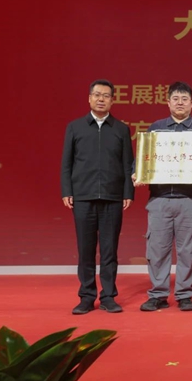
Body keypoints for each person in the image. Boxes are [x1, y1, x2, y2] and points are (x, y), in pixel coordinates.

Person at [134, 81, 192, 312]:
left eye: (184, 99)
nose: (180, 103)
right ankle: (158, 294)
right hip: (159, 199)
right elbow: (142, 160)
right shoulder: (156, 129)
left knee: (188, 250)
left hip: (190, 200)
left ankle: (185, 294)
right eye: (175, 99)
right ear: (168, 102)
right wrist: (137, 173)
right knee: (157, 249)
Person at [61, 79, 134, 315]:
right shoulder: (75, 127)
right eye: (97, 95)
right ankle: (86, 296)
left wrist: (128, 193)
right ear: (89, 98)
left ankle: (108, 296)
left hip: (113, 197)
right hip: (83, 196)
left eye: (106, 96)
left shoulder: (121, 129)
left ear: (112, 100)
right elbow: (67, 163)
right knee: (86, 250)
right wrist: (67, 191)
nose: (101, 99)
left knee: (110, 250)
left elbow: (128, 164)